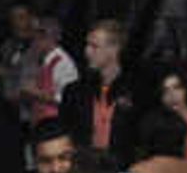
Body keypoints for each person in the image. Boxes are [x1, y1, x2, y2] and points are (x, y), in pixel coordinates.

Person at [55, 19, 136, 157]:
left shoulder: (137, 90)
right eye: (87, 45)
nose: (87, 51)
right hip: (84, 170)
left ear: (114, 49)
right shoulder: (74, 91)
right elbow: (64, 135)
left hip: (126, 171)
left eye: (94, 46)